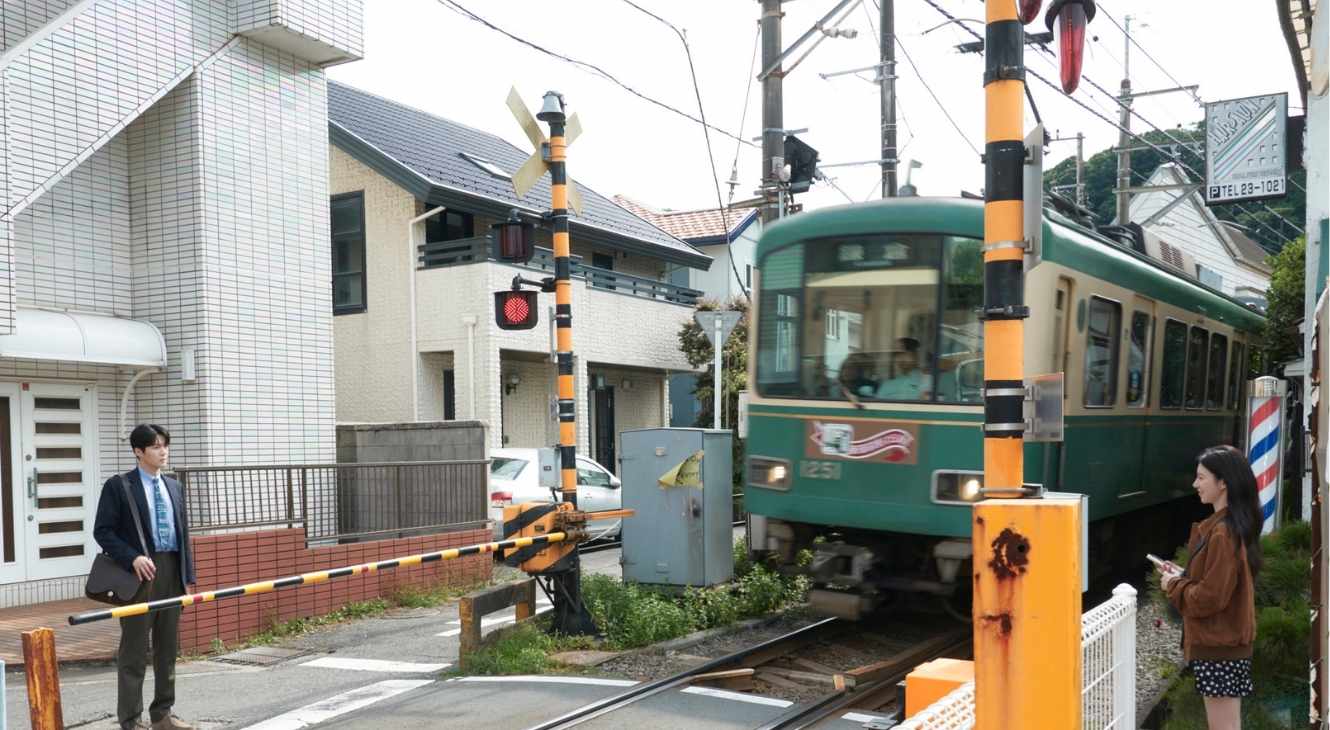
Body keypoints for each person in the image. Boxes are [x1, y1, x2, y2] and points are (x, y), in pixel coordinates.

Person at [93, 424, 196, 730]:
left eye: (165, 445)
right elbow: (103, 531)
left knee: (167, 649)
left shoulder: (174, 486)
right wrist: (132, 557)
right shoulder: (119, 486)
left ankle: (162, 715)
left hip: (171, 572)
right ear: (138, 451)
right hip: (138, 576)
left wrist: (187, 577)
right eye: (155, 446)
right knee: (135, 651)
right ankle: (130, 720)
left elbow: (183, 534)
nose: (162, 451)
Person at [1158, 445, 1261, 730]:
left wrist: (1174, 584)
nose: (1195, 484)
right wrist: (1182, 576)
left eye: (1201, 477)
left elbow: (1210, 597)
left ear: (1223, 483)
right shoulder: (1229, 527)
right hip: (1224, 646)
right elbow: (1217, 583)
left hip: (1219, 647)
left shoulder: (1221, 532)